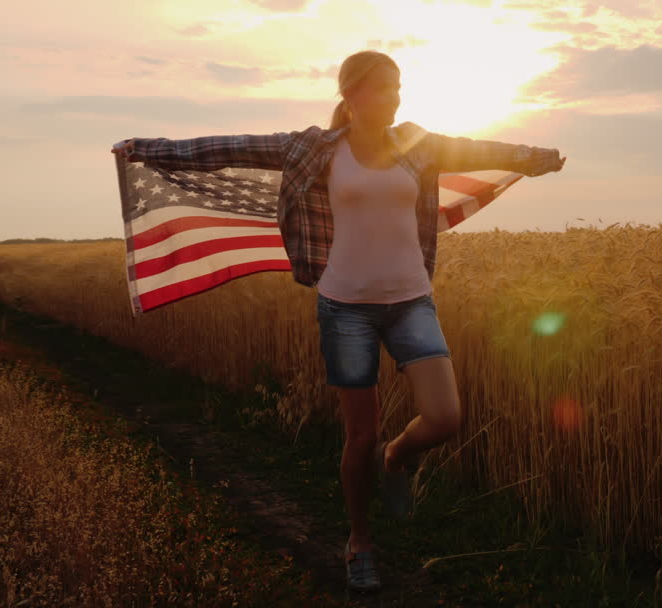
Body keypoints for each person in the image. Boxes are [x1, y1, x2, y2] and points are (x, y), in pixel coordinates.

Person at [112, 50, 566, 591]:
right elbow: (228, 147)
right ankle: (360, 543)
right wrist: (147, 150)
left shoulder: (416, 144)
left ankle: (399, 458)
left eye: (398, 88)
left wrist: (536, 156)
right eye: (383, 88)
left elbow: (480, 148)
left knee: (444, 417)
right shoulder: (313, 148)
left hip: (411, 299)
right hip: (345, 305)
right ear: (351, 94)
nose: (395, 98)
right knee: (360, 435)